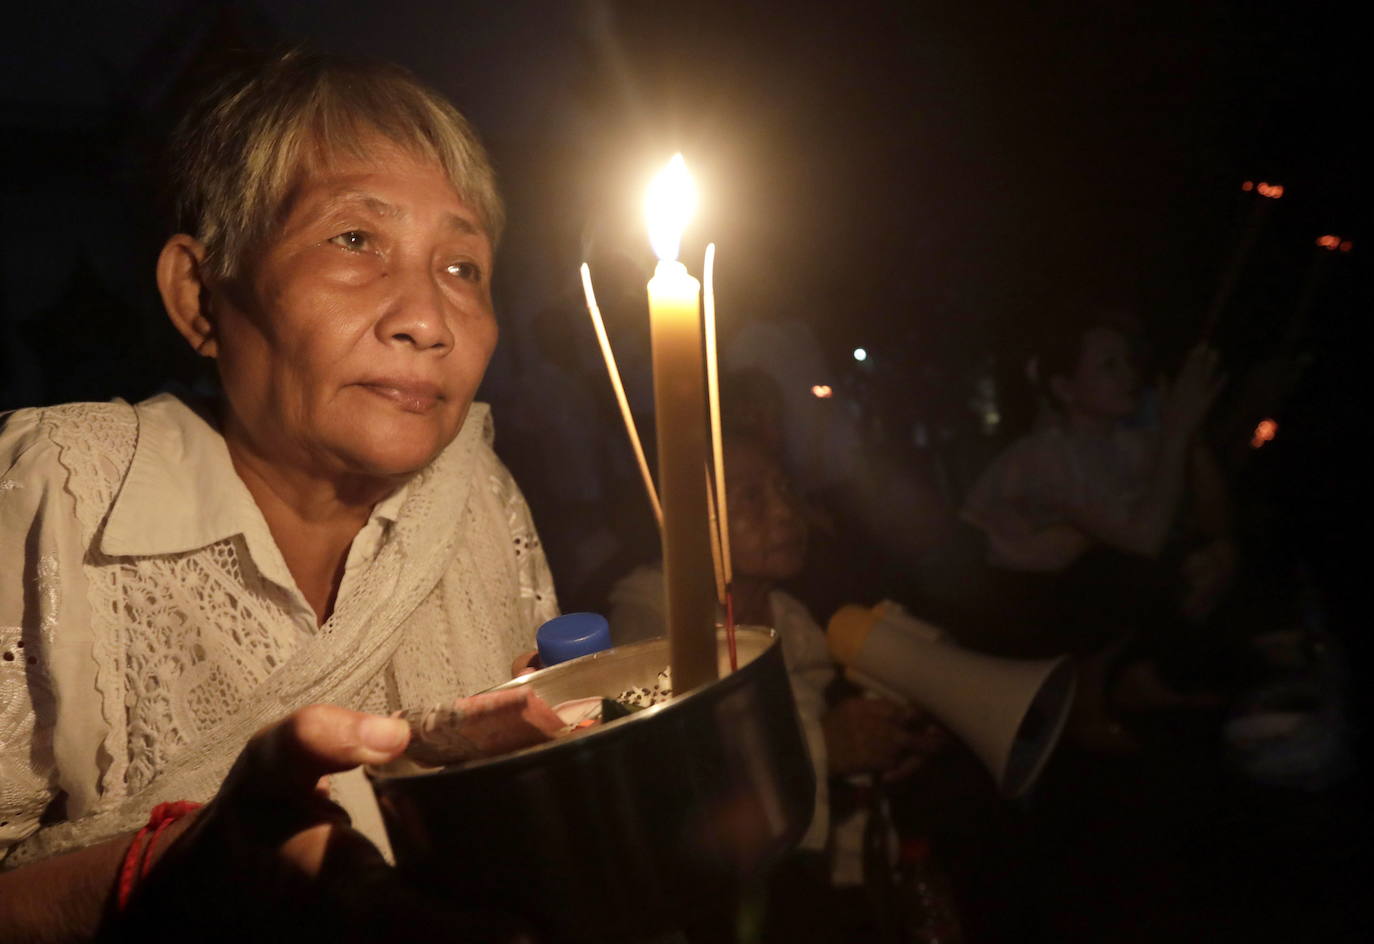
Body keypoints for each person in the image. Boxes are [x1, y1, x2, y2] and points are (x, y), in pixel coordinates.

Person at [0, 51, 555, 941]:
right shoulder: (59, 487)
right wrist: (168, 874)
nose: (426, 318)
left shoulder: (475, 494)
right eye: (355, 240)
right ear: (200, 296)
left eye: (462, 267)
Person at [609, 429, 944, 934]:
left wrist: (894, 736)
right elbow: (678, 774)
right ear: (687, 514)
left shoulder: (793, 619)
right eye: (750, 496)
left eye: (786, 488)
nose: (786, 512)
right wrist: (825, 749)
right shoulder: (650, 618)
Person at [962, 313, 1233, 736]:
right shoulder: (1045, 457)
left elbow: (1211, 523)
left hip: (1068, 581)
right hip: (1007, 600)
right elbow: (1143, 541)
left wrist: (1189, 434)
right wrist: (1177, 429)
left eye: (1127, 362)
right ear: (1066, 389)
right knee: (1133, 567)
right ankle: (1082, 699)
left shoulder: (1123, 445)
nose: (1128, 375)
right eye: (1109, 366)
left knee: (1210, 561)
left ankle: (1133, 678)